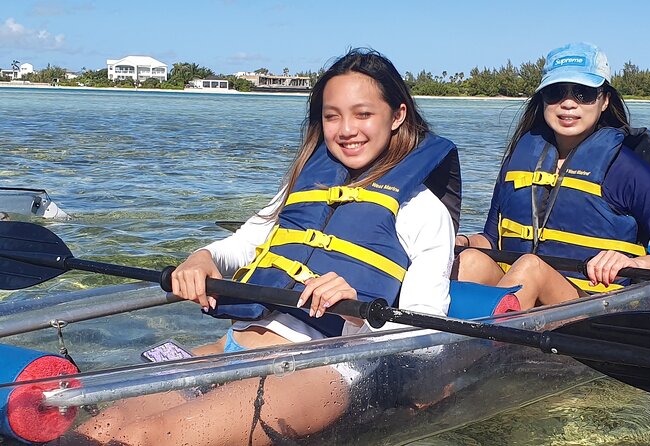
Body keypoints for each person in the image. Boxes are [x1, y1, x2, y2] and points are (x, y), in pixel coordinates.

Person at [71, 48, 458, 446]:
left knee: (145, 437)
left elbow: (427, 337)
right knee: (96, 430)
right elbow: (243, 244)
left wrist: (358, 314)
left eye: (363, 114)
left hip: (317, 369)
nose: (346, 130)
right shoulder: (305, 186)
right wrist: (203, 258)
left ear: (397, 116)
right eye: (331, 116)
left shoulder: (423, 211)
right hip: (232, 346)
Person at [454, 42, 650, 310]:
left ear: (604, 101)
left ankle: (481, 348)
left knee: (531, 268)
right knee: (471, 259)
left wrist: (635, 263)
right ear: (543, 99)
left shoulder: (626, 169)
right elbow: (491, 239)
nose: (568, 103)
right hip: (523, 297)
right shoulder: (519, 160)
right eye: (556, 92)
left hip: (592, 305)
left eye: (583, 93)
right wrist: (460, 241)